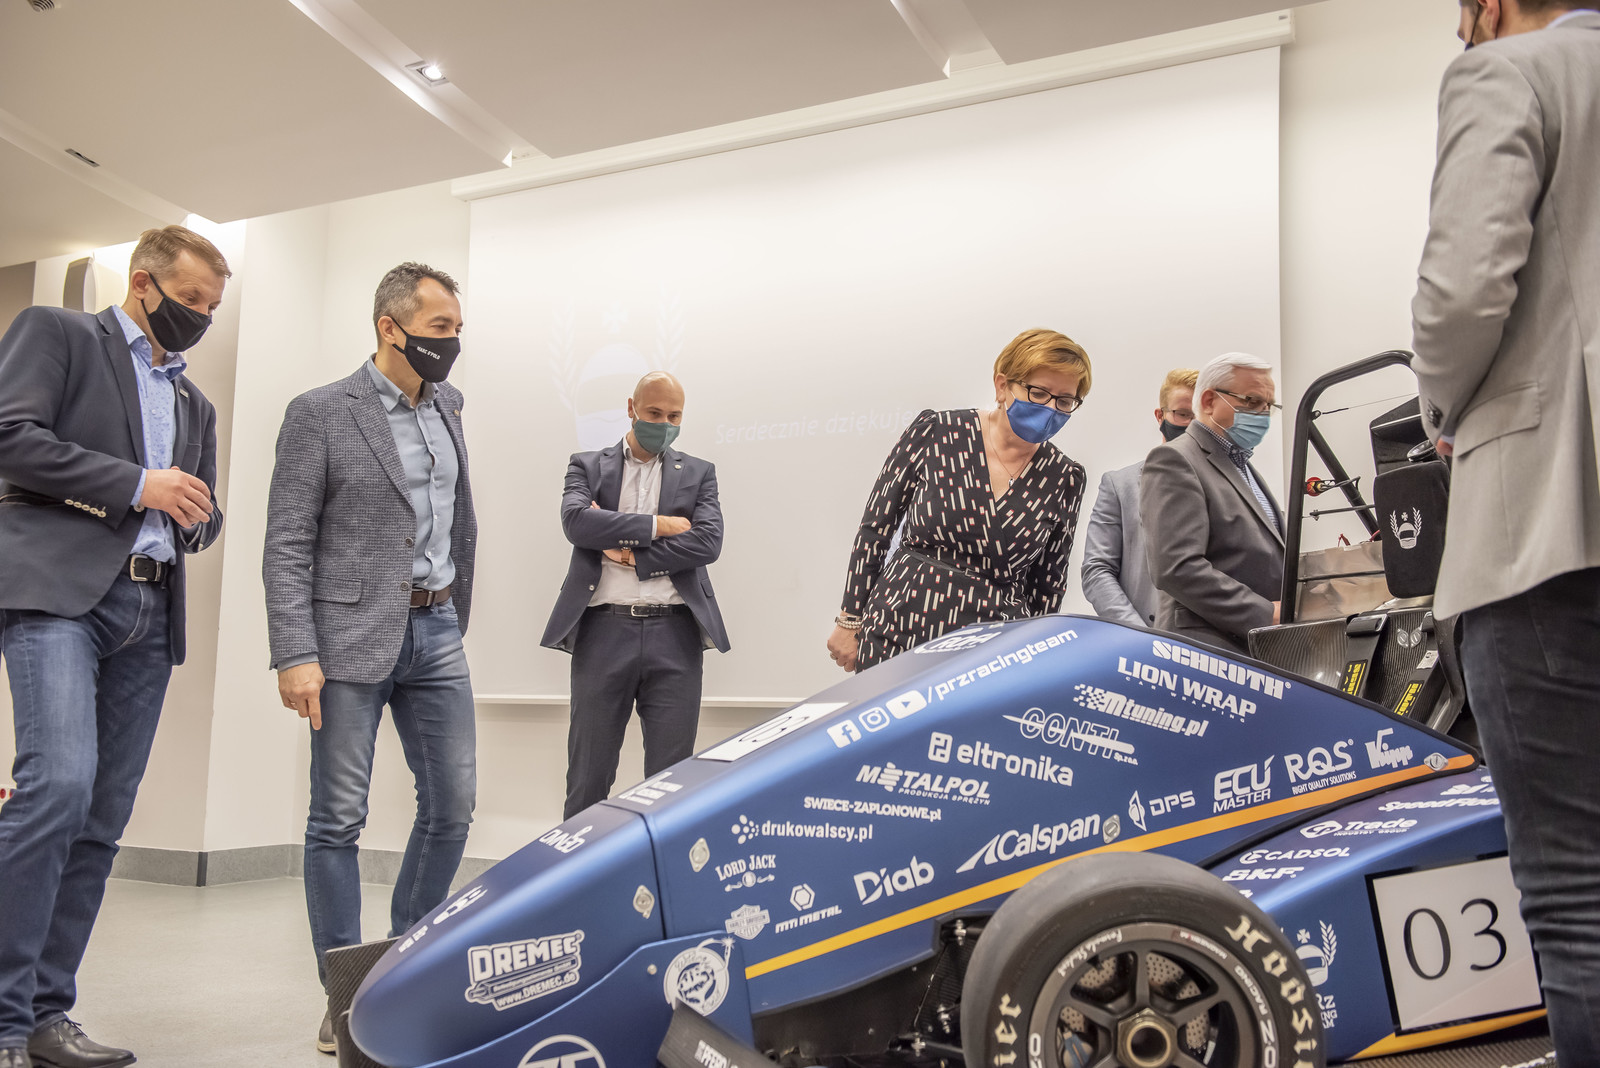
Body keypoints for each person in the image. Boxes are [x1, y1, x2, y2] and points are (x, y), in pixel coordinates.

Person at [1411, 2, 1600, 1061]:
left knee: (1577, 887)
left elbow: (1460, 296)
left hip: (1553, 523)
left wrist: (1443, 413)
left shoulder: (1509, 71)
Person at [0, 225, 228, 1068]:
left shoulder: (195, 404)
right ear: (142, 283)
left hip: (150, 610)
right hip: (59, 595)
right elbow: (9, 435)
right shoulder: (59, 334)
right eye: (191, 300)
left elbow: (200, 510)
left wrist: (197, 514)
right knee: (56, 786)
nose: (201, 317)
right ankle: (2, 1018)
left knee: (101, 819)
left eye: (212, 307)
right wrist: (138, 484)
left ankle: (47, 1013)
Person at [264, 262, 478, 1054]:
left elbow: (459, 519)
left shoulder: (450, 404)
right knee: (338, 819)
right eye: (439, 328)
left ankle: (401, 971)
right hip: (347, 638)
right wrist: (295, 651)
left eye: (457, 328)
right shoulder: (321, 412)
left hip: (436, 629)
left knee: (452, 806)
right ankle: (346, 996)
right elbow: (288, 540)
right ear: (391, 327)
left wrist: (454, 610)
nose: (452, 342)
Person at [827, 329, 1090, 672]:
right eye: (1038, 393)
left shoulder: (1065, 477)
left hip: (991, 653)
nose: (1050, 408)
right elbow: (875, 529)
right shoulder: (937, 431)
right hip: (898, 628)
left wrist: (1033, 660)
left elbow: (1048, 584)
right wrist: (850, 618)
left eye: (1064, 401)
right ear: (1002, 386)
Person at [541, 372, 727, 819]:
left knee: (671, 785)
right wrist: (659, 525)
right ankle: (580, 864)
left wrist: (628, 555)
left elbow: (707, 543)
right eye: (654, 413)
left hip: (676, 634)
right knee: (588, 776)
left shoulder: (699, 472)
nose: (664, 424)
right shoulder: (587, 466)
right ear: (631, 408)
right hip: (604, 631)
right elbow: (577, 523)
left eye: (674, 416)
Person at [1140, 352, 1283, 655]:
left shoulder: (1241, 465)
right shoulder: (1175, 459)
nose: (1262, 415)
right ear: (1208, 401)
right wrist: (1266, 614)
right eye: (1252, 401)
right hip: (1206, 653)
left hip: (1254, 649)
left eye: (1268, 406)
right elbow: (1177, 567)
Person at [1081, 368, 1197, 628]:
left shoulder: (1229, 487)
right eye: (1182, 414)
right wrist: (1139, 634)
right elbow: (1097, 570)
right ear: (1160, 416)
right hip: (1146, 635)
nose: (1192, 425)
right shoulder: (1120, 485)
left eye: (1199, 417)